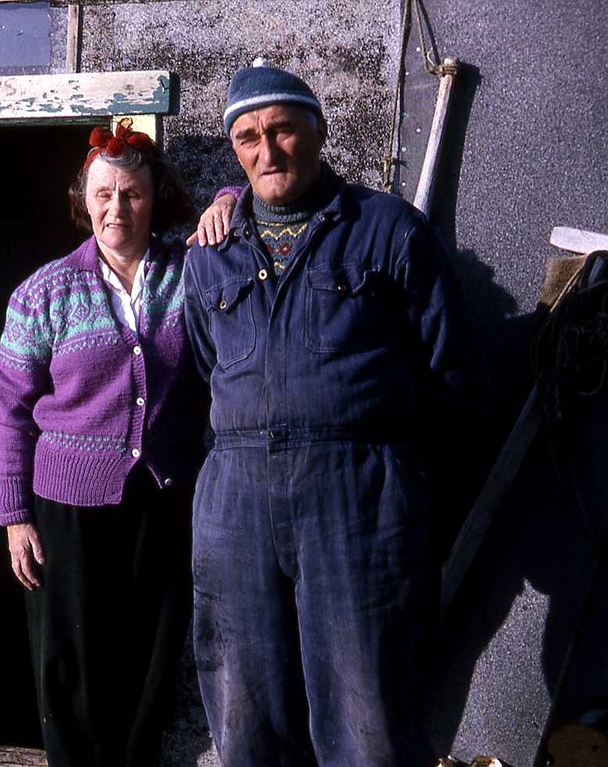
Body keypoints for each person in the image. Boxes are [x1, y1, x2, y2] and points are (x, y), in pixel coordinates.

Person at [183, 61, 484, 766]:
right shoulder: (210, 256)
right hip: (237, 500)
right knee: (246, 714)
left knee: (368, 721)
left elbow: (456, 379)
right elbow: (207, 367)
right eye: (249, 138)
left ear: (317, 130)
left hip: (361, 496)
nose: (268, 151)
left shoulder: (389, 231)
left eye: (283, 129)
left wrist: (397, 481)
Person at [0, 119, 202, 767]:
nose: (118, 208)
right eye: (104, 194)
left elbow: (253, 228)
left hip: (163, 501)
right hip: (68, 510)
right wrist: (15, 514)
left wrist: (226, 203)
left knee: (150, 665)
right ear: (84, 200)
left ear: (155, 198)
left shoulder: (191, 277)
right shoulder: (44, 292)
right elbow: (11, 411)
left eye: (132, 194)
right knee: (72, 668)